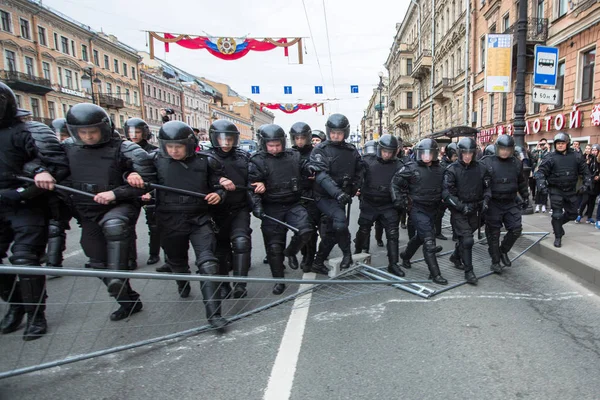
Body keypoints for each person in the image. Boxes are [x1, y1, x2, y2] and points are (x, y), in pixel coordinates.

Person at [128, 120, 230, 329]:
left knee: (208, 263)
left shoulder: (205, 161)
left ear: (188, 144)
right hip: (169, 220)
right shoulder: (155, 160)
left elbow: (218, 185)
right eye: (170, 146)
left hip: (199, 219)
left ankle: (214, 315)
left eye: (178, 147)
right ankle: (181, 279)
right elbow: (140, 179)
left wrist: (218, 194)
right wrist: (134, 177)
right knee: (177, 261)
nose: (174, 151)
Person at [62, 103, 154, 322]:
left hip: (118, 205)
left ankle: (116, 275)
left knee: (115, 228)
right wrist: (39, 173)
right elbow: (55, 170)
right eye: (83, 132)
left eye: (92, 131)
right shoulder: (67, 147)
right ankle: (128, 300)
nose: (88, 136)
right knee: (96, 259)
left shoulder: (125, 148)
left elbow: (149, 181)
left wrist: (120, 189)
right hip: (87, 209)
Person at [0, 82, 69, 340]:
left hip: (27, 205)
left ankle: (35, 316)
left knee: (25, 259)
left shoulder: (29, 132)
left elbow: (54, 166)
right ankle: (16, 305)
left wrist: (38, 174)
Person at [249, 124, 314, 294]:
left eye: (278, 144)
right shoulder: (257, 160)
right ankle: (279, 280)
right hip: (272, 206)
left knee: (306, 230)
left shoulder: (293, 155)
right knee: (274, 246)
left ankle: (291, 252)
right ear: (264, 144)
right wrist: (257, 205)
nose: (275, 148)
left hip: (293, 203)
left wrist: (310, 168)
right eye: (271, 145)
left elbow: (304, 165)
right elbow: (251, 187)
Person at [309, 114, 363, 274]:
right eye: (332, 132)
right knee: (340, 223)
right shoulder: (321, 149)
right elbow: (321, 176)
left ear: (345, 133)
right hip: (325, 196)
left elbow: (360, 170)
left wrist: (354, 188)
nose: (335, 135)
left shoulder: (351, 150)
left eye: (339, 132)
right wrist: (338, 193)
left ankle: (318, 262)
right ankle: (347, 255)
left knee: (333, 232)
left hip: (343, 195)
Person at [206, 120, 253, 299]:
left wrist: (259, 183)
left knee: (242, 242)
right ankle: (224, 284)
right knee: (220, 249)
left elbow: (254, 175)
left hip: (239, 207)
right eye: (222, 139)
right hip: (216, 210)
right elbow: (200, 181)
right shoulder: (205, 157)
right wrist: (218, 182)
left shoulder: (243, 157)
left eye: (229, 139)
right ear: (214, 138)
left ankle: (240, 284)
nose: (225, 143)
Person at [392, 139, 447, 284]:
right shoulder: (410, 168)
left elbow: (447, 187)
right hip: (417, 208)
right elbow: (395, 183)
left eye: (429, 153)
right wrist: (399, 199)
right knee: (429, 240)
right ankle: (435, 273)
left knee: (421, 237)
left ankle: (405, 255)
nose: (426, 157)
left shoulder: (440, 170)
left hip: (433, 208)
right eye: (423, 153)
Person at [443, 137, 491, 285]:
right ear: (460, 153)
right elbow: (447, 194)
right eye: (465, 153)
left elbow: (488, 186)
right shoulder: (452, 170)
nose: (468, 156)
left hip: (475, 209)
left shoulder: (481, 168)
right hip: (460, 209)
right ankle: (469, 271)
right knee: (468, 239)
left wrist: (486, 200)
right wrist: (461, 207)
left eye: (471, 153)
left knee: (465, 238)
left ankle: (456, 256)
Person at [354, 135, 404, 276]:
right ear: (379, 149)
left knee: (393, 234)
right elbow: (357, 175)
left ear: (395, 152)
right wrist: (355, 188)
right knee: (363, 230)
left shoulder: (399, 165)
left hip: (388, 205)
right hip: (369, 202)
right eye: (384, 151)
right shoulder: (367, 161)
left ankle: (393, 264)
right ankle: (357, 256)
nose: (387, 154)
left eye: (390, 152)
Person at [480, 135, 529, 274]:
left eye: (508, 149)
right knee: (493, 234)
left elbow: (521, 182)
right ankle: (495, 262)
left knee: (516, 229)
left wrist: (525, 196)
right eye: (502, 149)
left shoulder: (516, 163)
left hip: (510, 201)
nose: (505, 152)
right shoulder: (487, 162)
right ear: (497, 148)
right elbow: (480, 183)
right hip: (493, 203)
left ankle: (503, 251)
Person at [535, 133, 592, 247]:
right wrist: (542, 186)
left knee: (573, 214)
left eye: (562, 143)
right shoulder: (550, 157)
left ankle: (558, 225)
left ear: (567, 144)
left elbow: (585, 172)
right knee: (557, 214)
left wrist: (586, 184)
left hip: (571, 190)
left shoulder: (576, 156)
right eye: (558, 144)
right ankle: (558, 236)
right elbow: (540, 173)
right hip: (556, 189)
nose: (560, 145)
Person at [123, 118, 162, 267]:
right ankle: (130, 257)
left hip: (149, 192)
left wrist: (151, 192)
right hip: (130, 192)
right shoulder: (122, 149)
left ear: (144, 133)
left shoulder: (153, 150)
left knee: (154, 226)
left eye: (137, 132)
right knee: (126, 226)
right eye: (131, 132)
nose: (134, 135)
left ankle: (154, 254)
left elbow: (157, 175)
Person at [290, 122, 320, 272]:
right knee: (299, 229)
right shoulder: (289, 154)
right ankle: (299, 252)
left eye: (302, 138)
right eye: (297, 138)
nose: (299, 141)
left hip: (312, 195)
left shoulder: (316, 153)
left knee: (312, 230)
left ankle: (309, 257)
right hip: (296, 196)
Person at [435, 142, 459, 240]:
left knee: (455, 214)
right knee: (440, 213)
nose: (457, 158)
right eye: (455, 156)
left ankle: (455, 234)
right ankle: (437, 232)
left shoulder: (458, 165)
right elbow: (439, 181)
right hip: (444, 194)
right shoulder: (442, 165)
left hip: (454, 193)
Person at [575, 144, 599, 224]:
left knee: (592, 201)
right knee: (585, 200)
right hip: (588, 183)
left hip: (596, 184)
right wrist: (587, 163)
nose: (594, 152)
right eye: (593, 150)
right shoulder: (589, 158)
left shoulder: (598, 161)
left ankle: (589, 217)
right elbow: (585, 170)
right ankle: (579, 215)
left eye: (596, 150)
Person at [531, 138, 550, 213]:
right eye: (541, 144)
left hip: (546, 173)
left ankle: (544, 205)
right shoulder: (538, 152)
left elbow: (549, 159)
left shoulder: (548, 152)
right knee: (539, 190)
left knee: (545, 190)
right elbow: (532, 156)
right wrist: (536, 147)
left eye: (544, 144)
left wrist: (548, 149)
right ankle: (538, 205)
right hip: (538, 173)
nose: (543, 146)